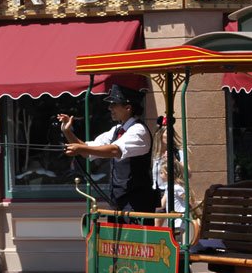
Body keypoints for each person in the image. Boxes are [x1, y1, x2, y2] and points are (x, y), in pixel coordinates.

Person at [59, 84, 156, 222]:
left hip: (136, 205)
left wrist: (80, 149)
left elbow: (114, 150)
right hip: (117, 202)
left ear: (128, 108)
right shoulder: (117, 130)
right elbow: (88, 150)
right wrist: (68, 132)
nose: (110, 108)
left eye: (114, 104)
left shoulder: (138, 130)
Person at [151, 115, 187, 229]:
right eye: (167, 132)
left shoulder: (177, 152)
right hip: (153, 191)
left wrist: (174, 161)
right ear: (159, 135)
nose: (170, 135)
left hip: (170, 191)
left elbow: (188, 173)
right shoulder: (152, 153)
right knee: (152, 224)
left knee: (169, 224)